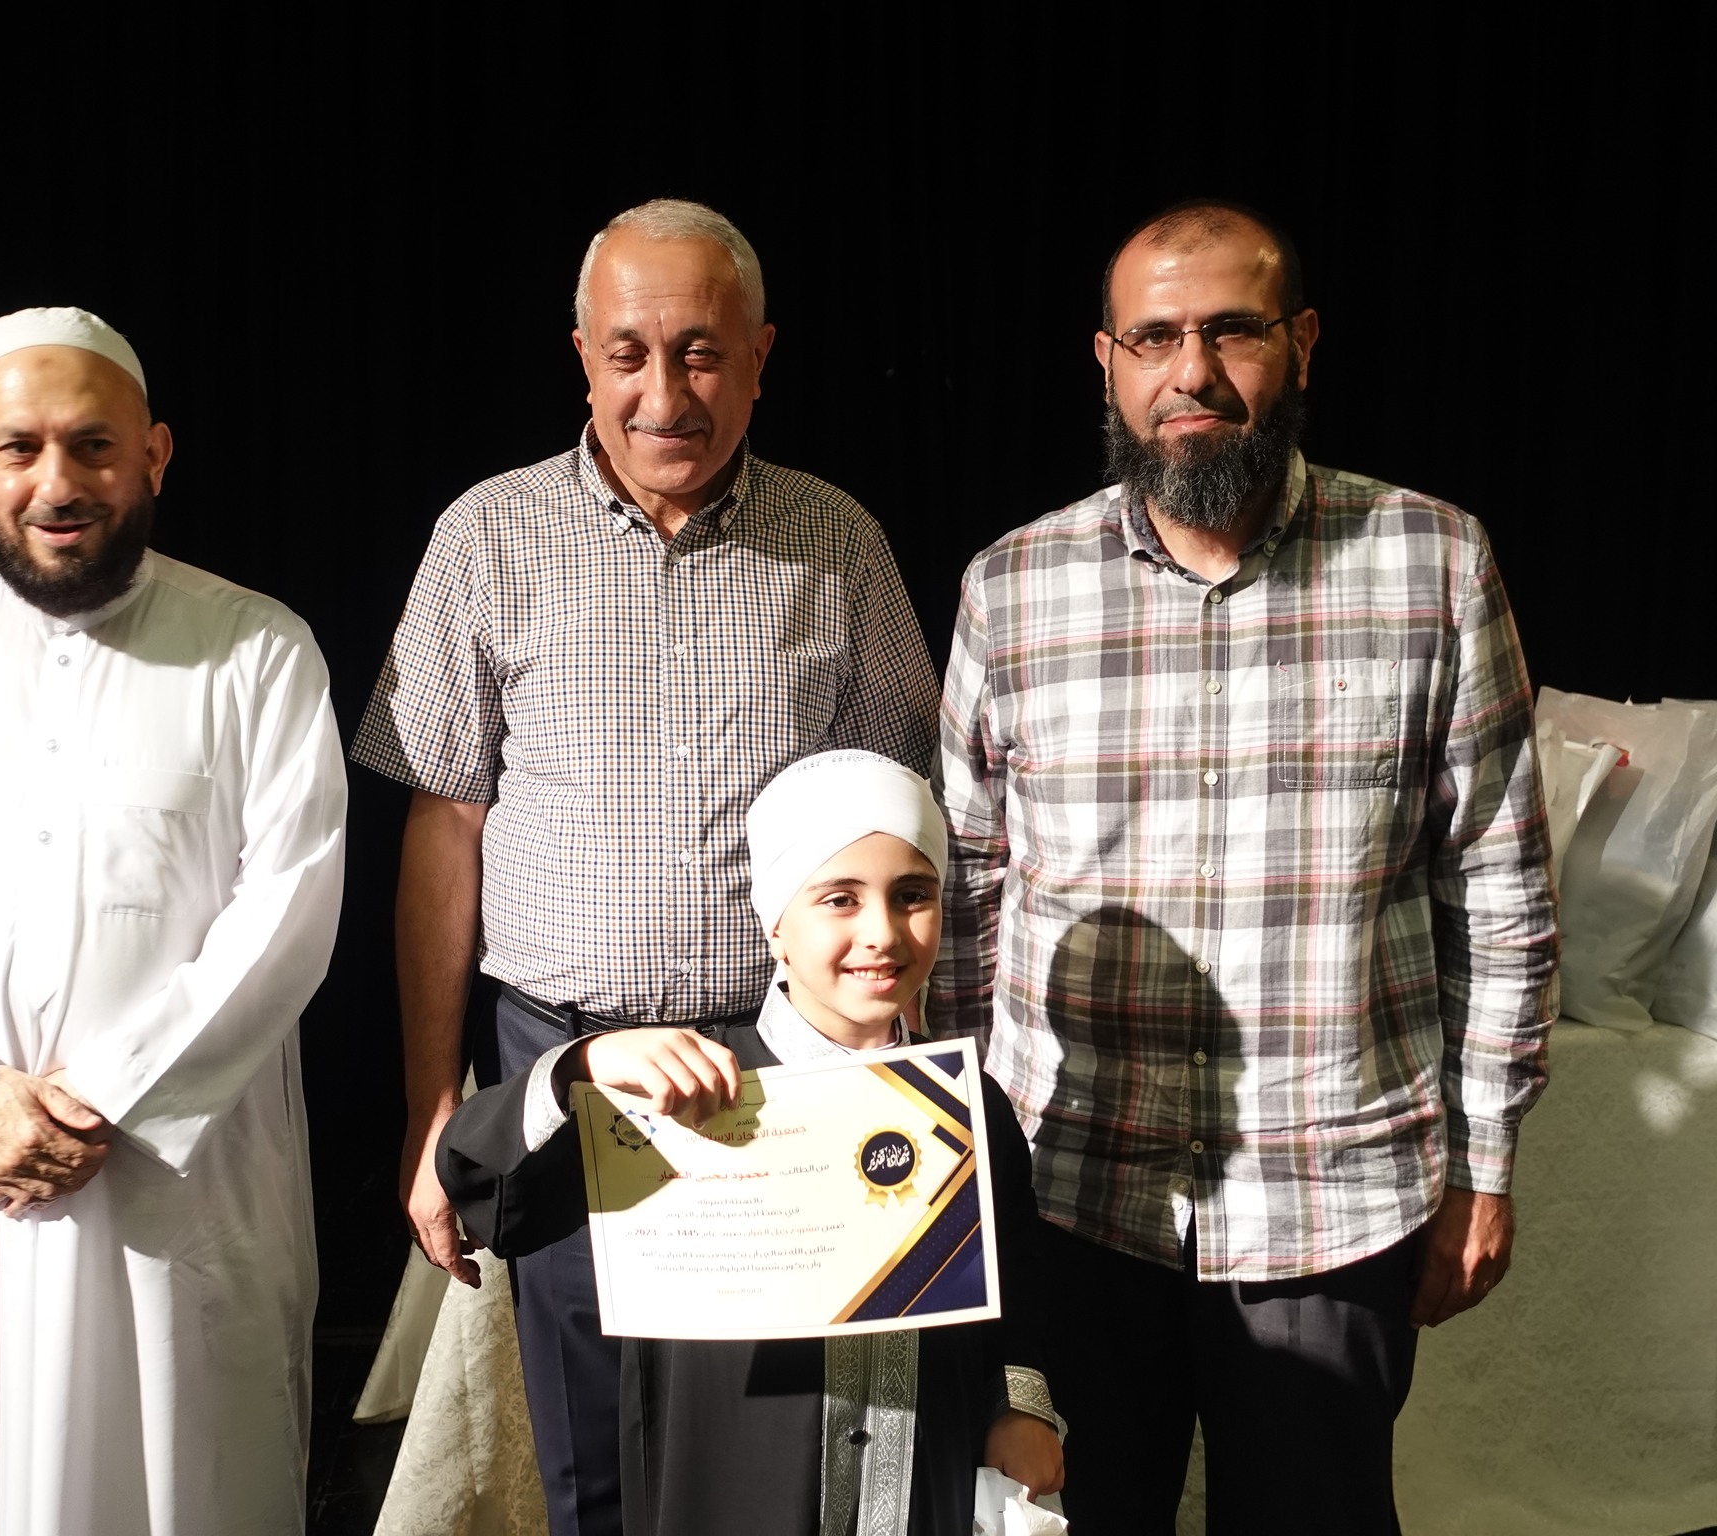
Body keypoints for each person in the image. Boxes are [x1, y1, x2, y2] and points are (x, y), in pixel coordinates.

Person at [933, 201, 1559, 1534]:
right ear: (1106, 361)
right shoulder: (1012, 588)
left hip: (1333, 1204)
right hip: (1072, 1198)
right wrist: (958, 1174)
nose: (1193, 372)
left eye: (1232, 331)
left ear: (1302, 342)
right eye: (1154, 338)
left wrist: (1485, 1160)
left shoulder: (1434, 565)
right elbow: (967, 904)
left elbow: (1499, 892)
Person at [352, 199, 937, 1533]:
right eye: (628, 354)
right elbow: (445, 826)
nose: (664, 395)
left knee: (772, 1472)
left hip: (780, 1078)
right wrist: (432, 1107)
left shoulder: (836, 543)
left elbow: (905, 827)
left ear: (761, 355)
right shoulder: (485, 536)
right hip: (564, 1073)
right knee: (589, 1472)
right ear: (582, 356)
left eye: (702, 353)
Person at [0, 307, 347, 1535]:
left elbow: (288, 908)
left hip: (179, 1198)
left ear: (153, 454)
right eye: (20, 447)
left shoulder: (256, 652)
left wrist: (103, 1099)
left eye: (93, 445)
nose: (58, 483)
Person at [437, 750, 1064, 1536]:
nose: (881, 933)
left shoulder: (970, 1108)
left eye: (913, 895)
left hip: (921, 1496)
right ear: (775, 920)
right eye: (839, 899)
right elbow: (488, 1191)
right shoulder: (682, 1097)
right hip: (727, 1497)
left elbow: (1018, 1288)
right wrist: (581, 1068)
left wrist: (1021, 1404)